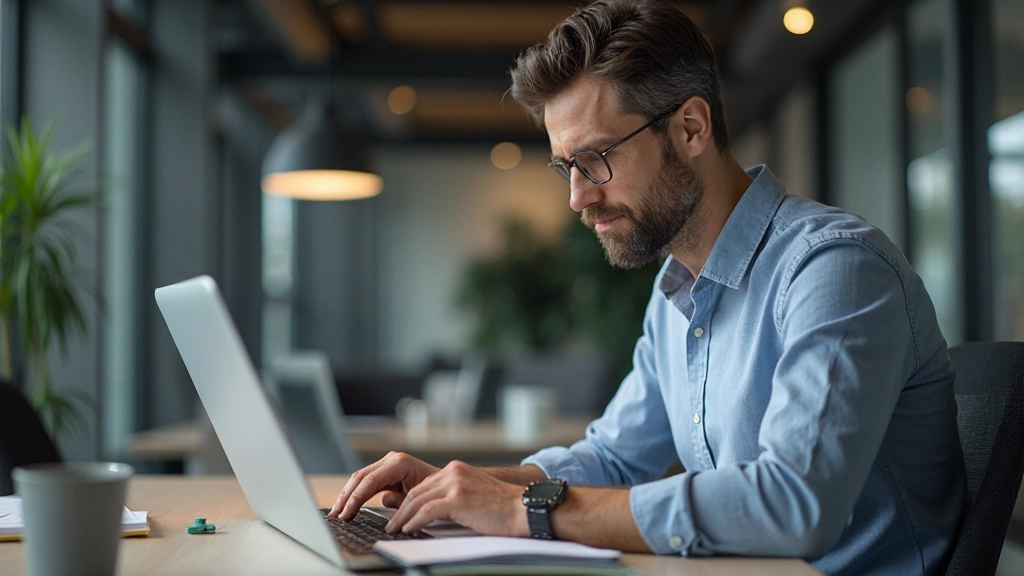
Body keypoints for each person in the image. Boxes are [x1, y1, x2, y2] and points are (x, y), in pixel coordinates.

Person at [329, 0, 967, 573]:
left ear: (691, 128)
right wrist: (463, 486)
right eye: (566, 166)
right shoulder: (676, 293)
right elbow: (613, 458)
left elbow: (793, 504)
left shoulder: (832, 269)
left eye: (596, 158)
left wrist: (525, 511)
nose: (578, 197)